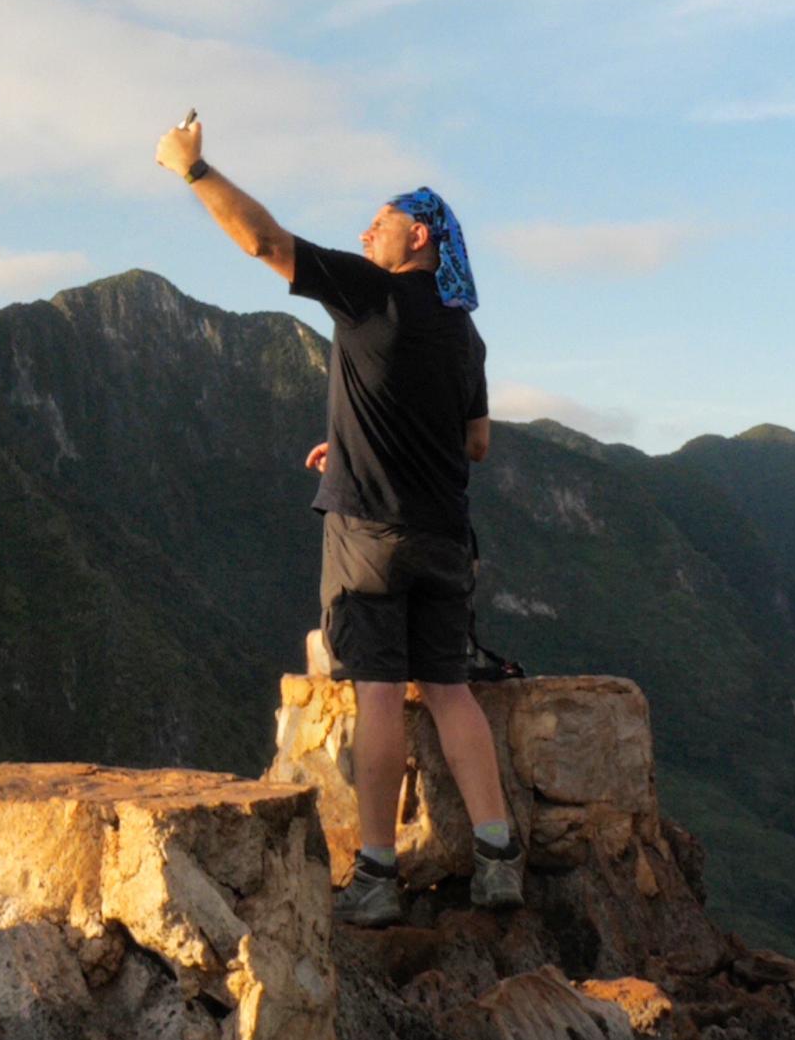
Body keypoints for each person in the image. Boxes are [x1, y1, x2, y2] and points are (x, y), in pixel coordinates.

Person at [153, 113, 521, 926]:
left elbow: (263, 242)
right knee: (452, 691)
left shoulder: (369, 291)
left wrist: (195, 169)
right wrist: (354, 436)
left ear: (416, 235)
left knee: (382, 697)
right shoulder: (467, 333)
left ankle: (379, 874)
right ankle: (500, 857)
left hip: (368, 538)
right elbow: (477, 442)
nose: (366, 230)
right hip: (444, 538)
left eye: (380, 222)